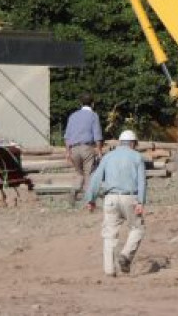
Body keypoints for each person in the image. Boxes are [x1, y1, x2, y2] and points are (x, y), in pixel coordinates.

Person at [84, 129, 146, 277]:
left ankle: (109, 270)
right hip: (130, 198)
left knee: (109, 234)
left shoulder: (108, 157)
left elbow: (96, 178)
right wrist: (141, 202)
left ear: (120, 143)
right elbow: (142, 182)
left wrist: (90, 199)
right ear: (132, 143)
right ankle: (125, 255)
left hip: (110, 199)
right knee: (138, 229)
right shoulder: (137, 157)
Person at [64, 94, 104, 206]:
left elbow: (67, 136)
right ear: (93, 103)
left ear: (80, 103)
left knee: (79, 173)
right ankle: (89, 201)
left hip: (74, 149)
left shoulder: (72, 116)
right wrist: (99, 151)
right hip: (87, 148)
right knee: (88, 175)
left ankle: (74, 191)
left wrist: (68, 152)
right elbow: (97, 136)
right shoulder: (93, 116)